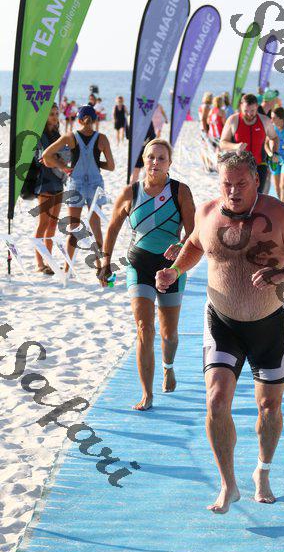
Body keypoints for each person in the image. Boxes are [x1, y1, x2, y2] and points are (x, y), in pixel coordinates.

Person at [155, 150, 284, 513]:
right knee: (216, 401)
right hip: (222, 322)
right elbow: (195, 245)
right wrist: (174, 271)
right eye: (226, 184)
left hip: (270, 324)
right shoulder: (207, 213)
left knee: (268, 407)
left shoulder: (281, 215)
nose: (232, 191)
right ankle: (228, 483)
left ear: (256, 180)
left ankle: (263, 470)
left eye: (241, 184)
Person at [98, 139, 196, 410]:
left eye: (161, 158)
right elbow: (113, 228)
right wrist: (105, 261)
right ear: (143, 159)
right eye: (151, 157)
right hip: (138, 264)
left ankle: (168, 366)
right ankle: (147, 394)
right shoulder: (131, 192)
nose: (155, 162)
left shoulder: (180, 191)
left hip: (172, 268)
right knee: (144, 328)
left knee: (169, 334)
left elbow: (194, 232)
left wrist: (180, 245)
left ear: (169, 163)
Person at [43, 104, 115, 274]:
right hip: (95, 185)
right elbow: (111, 166)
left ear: (79, 120)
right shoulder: (102, 138)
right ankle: (100, 266)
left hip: (76, 183)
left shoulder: (70, 136)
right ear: (95, 119)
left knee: (74, 228)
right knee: (96, 228)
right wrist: (97, 163)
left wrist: (63, 166)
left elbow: (46, 155)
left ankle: (68, 268)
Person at [34, 103, 69, 274]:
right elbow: (44, 159)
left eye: (56, 113)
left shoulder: (57, 134)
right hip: (45, 182)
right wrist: (59, 161)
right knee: (43, 223)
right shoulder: (40, 135)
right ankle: (39, 263)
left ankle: (49, 260)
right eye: (51, 114)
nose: (55, 117)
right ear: (45, 117)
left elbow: (61, 157)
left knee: (53, 224)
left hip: (58, 182)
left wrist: (58, 161)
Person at [219, 93, 279, 194]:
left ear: (257, 107)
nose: (249, 114)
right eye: (245, 111)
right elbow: (222, 143)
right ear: (240, 107)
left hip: (259, 166)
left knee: (257, 196)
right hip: (238, 166)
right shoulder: (233, 120)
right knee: (240, 196)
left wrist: (274, 152)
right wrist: (236, 146)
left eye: (252, 111)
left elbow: (274, 138)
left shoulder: (265, 121)